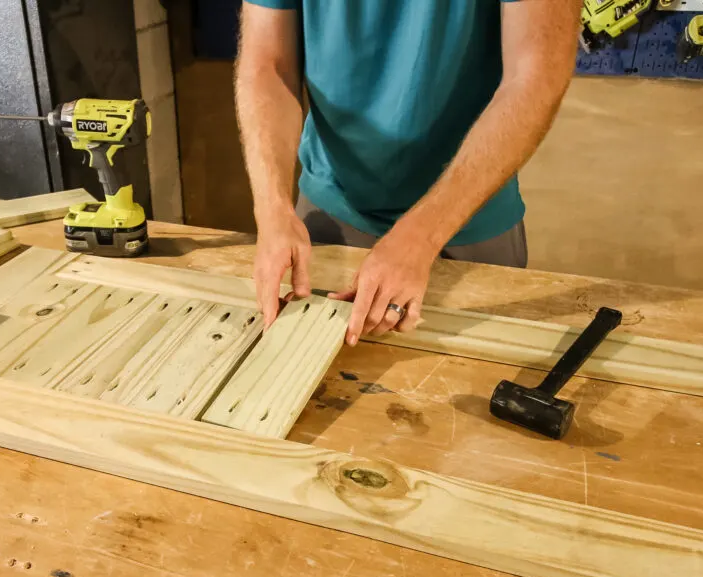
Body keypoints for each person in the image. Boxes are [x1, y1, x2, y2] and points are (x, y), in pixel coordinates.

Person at [235, 0, 579, 344]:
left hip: (469, 220)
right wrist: (271, 208)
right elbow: (269, 63)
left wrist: (420, 237)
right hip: (332, 209)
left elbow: (537, 74)